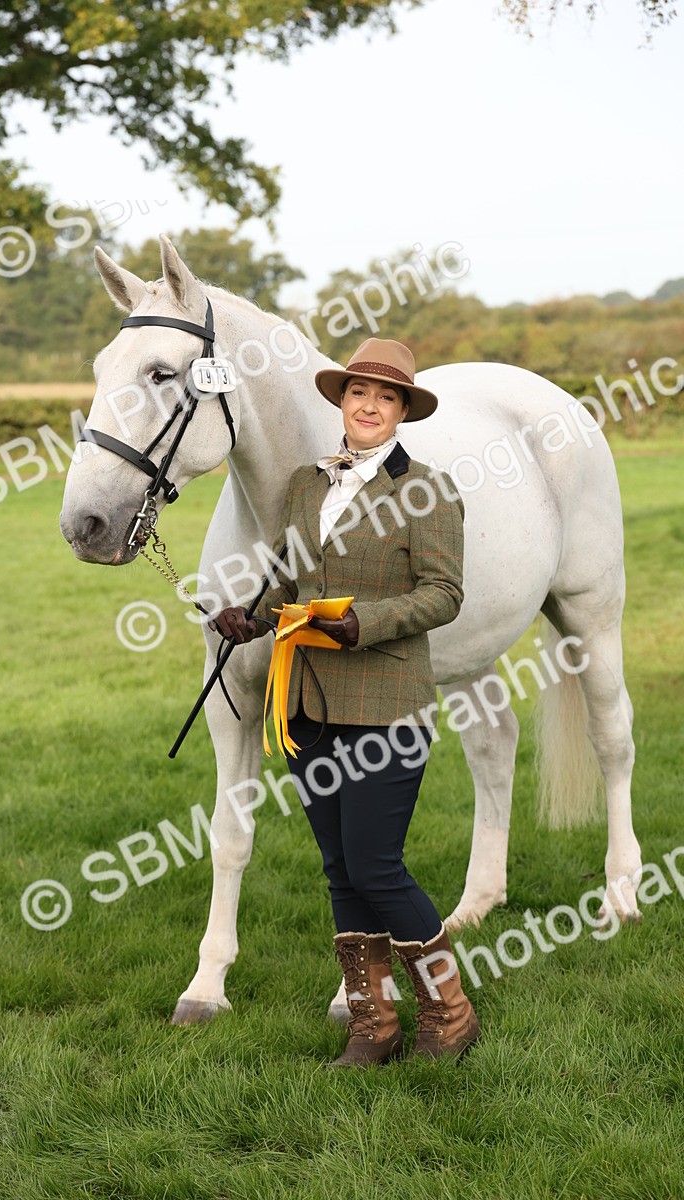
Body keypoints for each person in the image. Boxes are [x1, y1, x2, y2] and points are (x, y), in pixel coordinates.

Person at [208, 337, 479, 1068]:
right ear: (342, 398)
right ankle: (373, 1024)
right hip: (307, 708)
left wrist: (367, 621)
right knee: (339, 870)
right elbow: (290, 581)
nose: (370, 405)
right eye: (360, 391)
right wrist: (252, 615)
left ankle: (450, 1014)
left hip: (388, 706)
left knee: (376, 867)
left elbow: (445, 595)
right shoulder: (304, 484)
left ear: (401, 412)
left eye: (386, 397)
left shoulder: (429, 490)